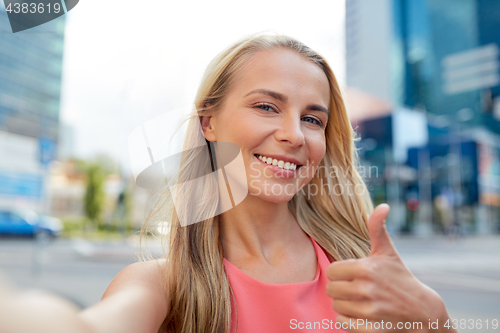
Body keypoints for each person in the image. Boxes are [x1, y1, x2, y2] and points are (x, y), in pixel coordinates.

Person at [0, 32, 457, 333]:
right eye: (266, 106)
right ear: (209, 122)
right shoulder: (163, 286)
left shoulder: (360, 269)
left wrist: (435, 319)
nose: (294, 135)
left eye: (312, 118)